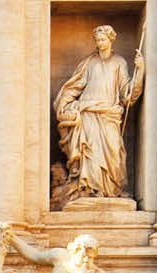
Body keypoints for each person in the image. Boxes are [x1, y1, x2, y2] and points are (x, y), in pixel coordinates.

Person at [52, 25, 144, 204]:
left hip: (109, 114)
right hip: (88, 114)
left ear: (111, 40)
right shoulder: (89, 63)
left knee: (113, 151)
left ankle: (111, 190)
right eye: (98, 40)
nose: (100, 43)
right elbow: (75, 86)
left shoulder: (119, 63)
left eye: (103, 40)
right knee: (90, 152)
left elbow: (127, 93)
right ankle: (90, 190)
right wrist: (64, 103)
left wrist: (139, 70)